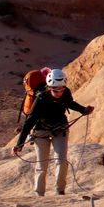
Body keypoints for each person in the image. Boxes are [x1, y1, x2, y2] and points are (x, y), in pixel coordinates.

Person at [12, 68, 94, 196]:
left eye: (61, 89)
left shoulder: (65, 92)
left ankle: (59, 191)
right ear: (50, 88)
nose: (59, 93)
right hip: (41, 131)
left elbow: (70, 103)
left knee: (61, 160)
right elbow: (30, 121)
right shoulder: (41, 98)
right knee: (41, 164)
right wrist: (19, 144)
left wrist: (83, 109)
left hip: (60, 129)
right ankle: (39, 194)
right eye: (55, 90)